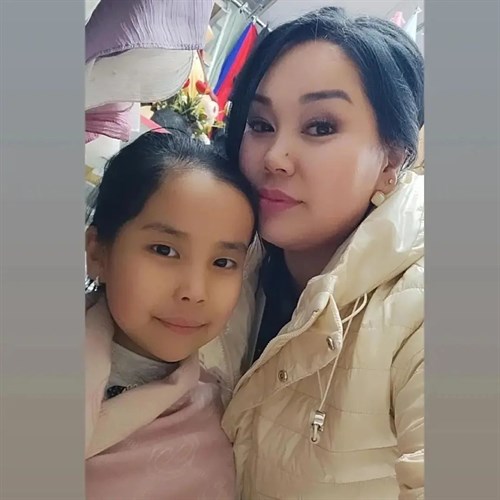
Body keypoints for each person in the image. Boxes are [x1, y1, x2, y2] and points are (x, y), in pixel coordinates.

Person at [201, 6, 425, 499]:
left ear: (391, 159)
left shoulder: (419, 305)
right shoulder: (231, 258)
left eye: (320, 127)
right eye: (260, 124)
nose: (274, 157)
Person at [84, 131, 258, 500]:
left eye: (223, 262)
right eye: (164, 250)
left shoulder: (218, 432)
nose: (194, 291)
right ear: (98, 252)